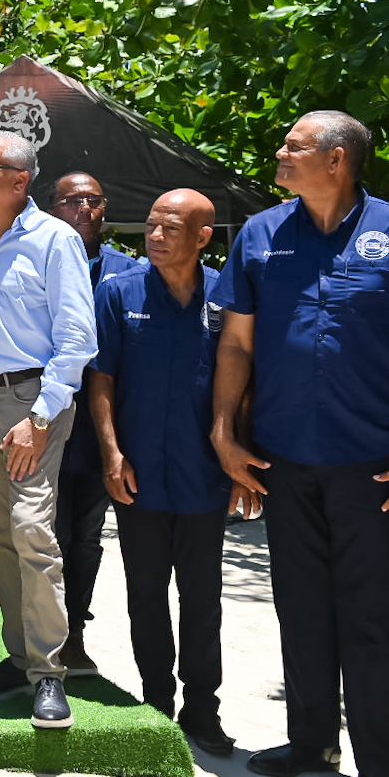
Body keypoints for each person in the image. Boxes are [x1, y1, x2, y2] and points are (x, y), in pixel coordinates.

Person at [209, 111, 389, 777]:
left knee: (372, 619)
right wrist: (224, 432)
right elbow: (236, 342)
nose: (280, 153)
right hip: (282, 459)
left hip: (371, 466)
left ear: (336, 159)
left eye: (294, 146)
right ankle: (313, 745)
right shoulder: (260, 234)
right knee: (302, 608)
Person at [0, 132, 95, 729]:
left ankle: (50, 672)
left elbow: (77, 339)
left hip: (33, 404)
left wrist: (39, 418)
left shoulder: (56, 239)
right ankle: (19, 658)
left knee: (33, 531)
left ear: (19, 179)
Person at [89, 188, 237, 757]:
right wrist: (111, 453)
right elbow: (101, 378)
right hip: (140, 473)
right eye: (151, 225)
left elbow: (245, 382)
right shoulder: (119, 292)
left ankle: (202, 708)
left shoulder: (227, 297)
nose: (155, 236)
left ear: (203, 237)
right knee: (146, 592)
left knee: (203, 597)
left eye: (170, 228)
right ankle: (156, 702)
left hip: (205, 476)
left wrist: (240, 462)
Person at [46, 172, 138, 677]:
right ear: (52, 207)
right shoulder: (38, 258)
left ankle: (74, 634)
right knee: (43, 535)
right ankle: (37, 635)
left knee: (84, 536)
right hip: (42, 419)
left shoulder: (128, 271)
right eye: (71, 200)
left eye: (93, 200)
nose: (83, 207)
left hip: (100, 431)